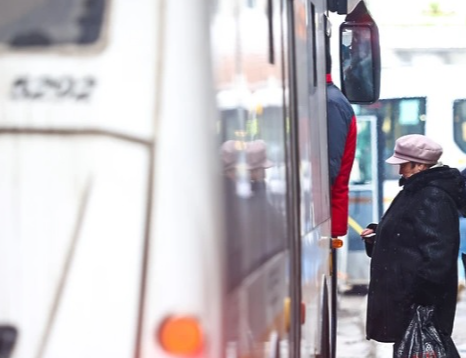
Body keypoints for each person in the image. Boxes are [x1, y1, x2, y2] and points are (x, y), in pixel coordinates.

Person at [361, 134, 466, 354]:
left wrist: (420, 300)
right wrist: (380, 235)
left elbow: (438, 254)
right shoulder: (417, 191)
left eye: (403, 165)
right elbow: (408, 232)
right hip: (409, 301)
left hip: (418, 304)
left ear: (419, 165)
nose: (400, 171)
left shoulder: (432, 195)